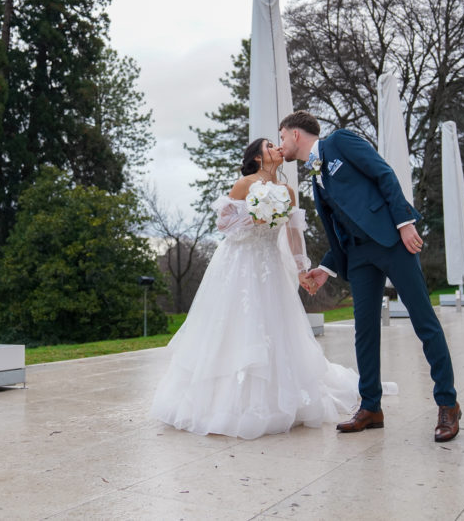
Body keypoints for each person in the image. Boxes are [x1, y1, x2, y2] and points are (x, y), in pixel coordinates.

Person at [149, 138, 359, 439]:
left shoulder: (288, 192)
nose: (276, 148)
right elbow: (224, 226)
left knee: (275, 327)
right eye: (269, 146)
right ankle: (225, 401)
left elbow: (294, 234)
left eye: (277, 144)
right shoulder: (244, 184)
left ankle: (279, 397)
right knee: (237, 326)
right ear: (258, 158)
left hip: (271, 265)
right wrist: (254, 216)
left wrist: (302, 269)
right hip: (239, 264)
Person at [278, 111, 462, 442]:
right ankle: (371, 407)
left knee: (424, 322)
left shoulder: (340, 141)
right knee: (364, 332)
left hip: (392, 242)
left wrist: (405, 223)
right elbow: (342, 224)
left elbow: (384, 174)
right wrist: (327, 267)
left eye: (281, 137)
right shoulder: (316, 178)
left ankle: (448, 404)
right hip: (359, 256)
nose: (280, 145)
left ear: (294, 135)